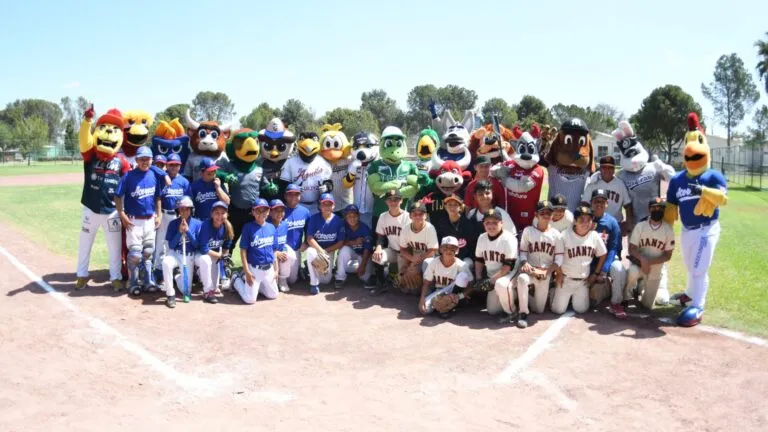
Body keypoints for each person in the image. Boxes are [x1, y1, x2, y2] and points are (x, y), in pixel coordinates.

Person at [494, 200, 563, 328]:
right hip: (529, 271)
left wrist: (547, 271)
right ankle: (523, 313)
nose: (546, 215)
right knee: (521, 279)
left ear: (552, 215)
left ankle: (521, 297)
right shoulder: (528, 231)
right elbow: (523, 253)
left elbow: (559, 259)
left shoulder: (557, 235)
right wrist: (525, 263)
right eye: (543, 212)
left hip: (545, 274)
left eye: (549, 212)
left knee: (539, 309)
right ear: (536, 215)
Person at [114, 146, 163, 296]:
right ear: (136, 160)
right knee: (135, 255)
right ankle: (133, 282)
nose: (144, 162)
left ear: (151, 160)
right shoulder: (128, 176)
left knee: (148, 252)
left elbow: (158, 197)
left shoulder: (154, 176)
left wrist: (159, 214)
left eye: (147, 159)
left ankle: (148, 281)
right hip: (133, 221)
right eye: (141, 159)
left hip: (149, 220)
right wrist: (122, 214)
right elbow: (117, 196)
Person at [551, 204, 607, 315]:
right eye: (581, 220)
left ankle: (576, 297)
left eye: (589, 220)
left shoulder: (594, 236)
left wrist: (595, 274)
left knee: (581, 310)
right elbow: (556, 257)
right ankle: (553, 291)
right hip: (565, 280)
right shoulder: (564, 235)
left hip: (583, 282)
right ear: (575, 221)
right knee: (558, 310)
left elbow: (603, 254)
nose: (585, 224)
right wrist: (558, 273)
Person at [625, 198, 675, 310]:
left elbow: (668, 255)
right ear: (649, 209)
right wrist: (643, 261)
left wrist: (649, 263)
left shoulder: (668, 230)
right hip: (639, 264)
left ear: (664, 210)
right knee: (632, 272)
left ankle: (641, 287)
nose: (657, 210)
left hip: (656, 268)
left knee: (647, 306)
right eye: (654, 208)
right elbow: (631, 249)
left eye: (660, 208)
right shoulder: (641, 226)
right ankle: (626, 297)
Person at [231, 198, 279, 304]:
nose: (261, 213)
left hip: (269, 269)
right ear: (252, 212)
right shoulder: (248, 228)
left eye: (264, 210)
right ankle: (236, 279)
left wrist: (276, 270)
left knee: (274, 295)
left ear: (269, 211)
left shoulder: (271, 227)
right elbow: (243, 251)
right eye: (258, 210)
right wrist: (247, 271)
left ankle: (257, 287)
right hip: (254, 269)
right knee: (250, 300)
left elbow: (274, 251)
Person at [589, 189, 628, 319]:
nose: (599, 204)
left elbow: (613, 248)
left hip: (606, 261)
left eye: (602, 201)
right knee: (587, 302)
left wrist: (604, 270)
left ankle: (616, 303)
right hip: (588, 261)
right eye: (596, 201)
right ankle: (603, 289)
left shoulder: (612, 222)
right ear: (591, 203)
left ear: (606, 204)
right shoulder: (584, 220)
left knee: (619, 269)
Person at [474, 209, 518, 316]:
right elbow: (479, 260)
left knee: (501, 284)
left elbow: (508, 267)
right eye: (487, 222)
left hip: (511, 272)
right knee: (492, 310)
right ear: (484, 224)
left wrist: (491, 280)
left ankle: (513, 311)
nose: (491, 225)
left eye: (495, 222)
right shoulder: (482, 238)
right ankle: (513, 295)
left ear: (502, 223)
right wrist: (479, 277)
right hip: (493, 276)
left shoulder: (509, 239)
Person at [154, 153, 190, 282]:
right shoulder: (162, 179)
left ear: (180, 166)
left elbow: (188, 201)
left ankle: (174, 269)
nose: (174, 167)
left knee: (176, 243)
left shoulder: (184, 182)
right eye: (171, 165)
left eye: (176, 165)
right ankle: (158, 270)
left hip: (178, 217)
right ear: (167, 166)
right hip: (163, 215)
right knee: (160, 244)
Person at [161, 196, 202, 308]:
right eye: (181, 209)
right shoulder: (173, 223)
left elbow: (196, 245)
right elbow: (171, 245)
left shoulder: (198, 223)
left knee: (186, 291)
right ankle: (170, 295)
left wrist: (188, 232)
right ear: (178, 210)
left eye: (187, 209)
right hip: (176, 253)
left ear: (191, 210)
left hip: (189, 255)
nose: (184, 211)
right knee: (166, 263)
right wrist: (179, 232)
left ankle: (177, 276)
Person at [418, 236, 473, 317]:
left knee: (463, 276)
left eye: (452, 248)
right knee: (425, 310)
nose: (448, 250)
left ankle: (455, 303)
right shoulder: (434, 262)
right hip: (439, 291)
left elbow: (472, 286)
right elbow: (426, 283)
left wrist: (459, 296)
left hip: (455, 292)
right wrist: (422, 299)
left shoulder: (461, 265)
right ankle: (446, 306)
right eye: (445, 247)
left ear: (457, 250)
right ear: (440, 249)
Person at [370, 189, 411, 293]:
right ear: (386, 202)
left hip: (406, 253)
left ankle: (397, 273)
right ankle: (382, 283)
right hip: (393, 250)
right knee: (376, 256)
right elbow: (380, 236)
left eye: (396, 199)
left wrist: (407, 262)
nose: (393, 202)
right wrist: (378, 248)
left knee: (405, 290)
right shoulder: (383, 216)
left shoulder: (408, 217)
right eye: (390, 200)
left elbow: (411, 242)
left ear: (401, 201)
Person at [305, 193, 346, 294]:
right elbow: (309, 238)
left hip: (329, 251)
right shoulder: (314, 218)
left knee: (326, 281)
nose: (327, 207)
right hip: (317, 250)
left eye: (329, 204)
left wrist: (326, 252)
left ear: (333, 206)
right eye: (324, 204)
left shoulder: (338, 220)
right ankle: (313, 283)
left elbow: (340, 242)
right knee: (310, 251)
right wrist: (321, 251)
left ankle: (311, 267)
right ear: (320, 206)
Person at [582, 156, 633, 234]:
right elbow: (584, 204)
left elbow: (628, 205)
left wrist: (628, 224)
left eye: (610, 167)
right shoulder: (593, 184)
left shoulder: (620, 184)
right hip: (596, 223)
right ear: (600, 169)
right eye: (604, 167)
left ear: (614, 170)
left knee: (615, 246)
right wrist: (587, 221)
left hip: (616, 223)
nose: (607, 170)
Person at [195, 201, 233, 304]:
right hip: (200, 255)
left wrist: (224, 258)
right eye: (217, 213)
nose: (220, 216)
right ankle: (207, 291)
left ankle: (203, 275)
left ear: (227, 214)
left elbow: (226, 247)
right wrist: (221, 256)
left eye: (223, 213)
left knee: (215, 287)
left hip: (215, 255)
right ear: (212, 214)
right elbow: (204, 249)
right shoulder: (206, 225)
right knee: (205, 260)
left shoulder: (227, 227)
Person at [398, 201, 439, 295]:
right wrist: (408, 264)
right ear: (410, 216)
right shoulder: (406, 229)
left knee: (427, 263)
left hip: (428, 258)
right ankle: (416, 284)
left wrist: (413, 265)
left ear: (426, 215)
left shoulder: (429, 228)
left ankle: (429, 288)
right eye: (414, 214)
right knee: (408, 290)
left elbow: (432, 252)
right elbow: (403, 249)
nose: (417, 216)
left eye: (421, 214)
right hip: (414, 258)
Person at [433, 194, 477, 269]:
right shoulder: (441, 223)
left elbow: (472, 246)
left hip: (465, 258)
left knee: (465, 265)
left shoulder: (467, 223)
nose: (452, 207)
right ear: (445, 207)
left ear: (460, 207)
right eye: (449, 205)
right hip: (446, 256)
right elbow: (438, 243)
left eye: (455, 205)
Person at [335, 204, 375, 288]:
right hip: (352, 252)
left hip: (364, 255)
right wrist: (354, 242)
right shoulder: (343, 226)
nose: (352, 218)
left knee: (364, 277)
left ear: (358, 216)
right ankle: (340, 278)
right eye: (349, 216)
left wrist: (363, 265)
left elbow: (368, 249)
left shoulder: (365, 228)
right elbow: (340, 243)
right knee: (344, 250)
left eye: (354, 216)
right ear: (345, 217)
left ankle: (371, 271)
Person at [282, 184, 311, 284]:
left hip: (296, 250)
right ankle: (280, 279)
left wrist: (306, 243)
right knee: (285, 277)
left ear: (300, 196)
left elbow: (308, 231)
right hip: (283, 249)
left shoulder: (305, 212)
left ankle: (303, 268)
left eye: (296, 194)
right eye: (290, 194)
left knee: (293, 280)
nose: (293, 197)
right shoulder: (280, 210)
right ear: (285, 196)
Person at [268, 199, 297, 293]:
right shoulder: (266, 225)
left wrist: (281, 252)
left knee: (290, 255)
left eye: (282, 210)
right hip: (267, 255)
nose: (279, 213)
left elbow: (283, 242)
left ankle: (282, 279)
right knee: (270, 288)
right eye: (276, 210)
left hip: (279, 250)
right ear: (270, 212)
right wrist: (275, 253)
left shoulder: (284, 224)